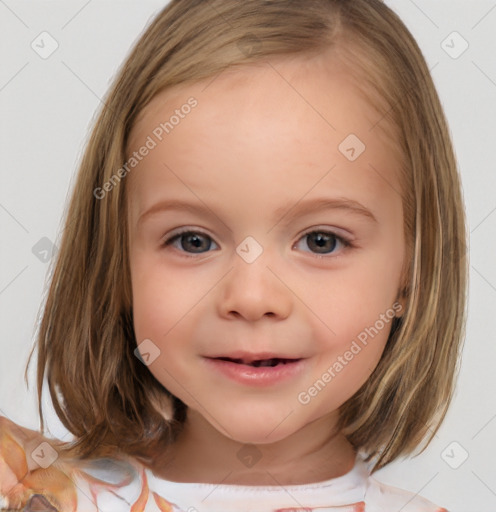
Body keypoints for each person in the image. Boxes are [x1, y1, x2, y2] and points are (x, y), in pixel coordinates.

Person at [0, 0, 467, 510]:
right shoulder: (37, 497)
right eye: (192, 241)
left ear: (412, 268)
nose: (251, 297)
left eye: (321, 241)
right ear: (116, 263)